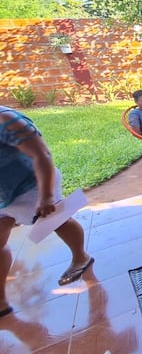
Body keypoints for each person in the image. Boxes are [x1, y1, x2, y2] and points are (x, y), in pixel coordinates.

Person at [0, 106, 94, 317]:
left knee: (57, 222)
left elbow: (41, 155)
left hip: (33, 185)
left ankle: (81, 257)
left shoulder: (6, 120)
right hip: (3, 195)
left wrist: (46, 196)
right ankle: (0, 300)